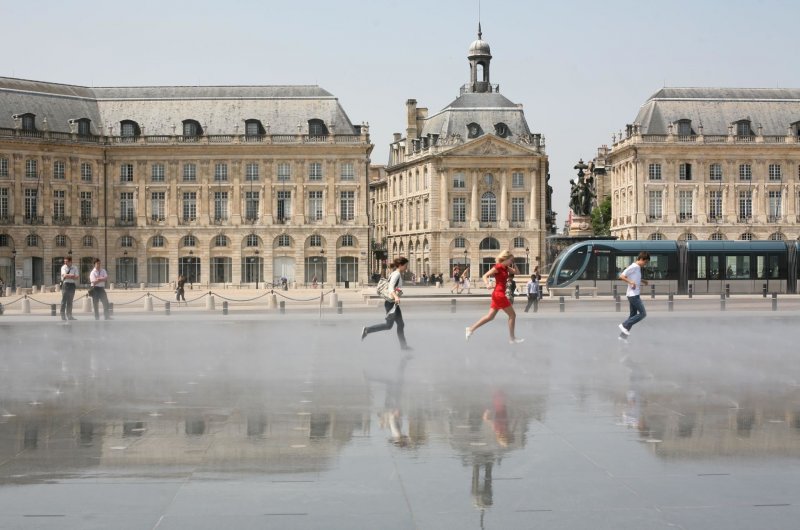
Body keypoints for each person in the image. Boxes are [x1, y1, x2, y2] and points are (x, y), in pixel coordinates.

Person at [466, 250, 524, 344]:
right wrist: (487, 284)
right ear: (506, 258)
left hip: (498, 294)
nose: (511, 262)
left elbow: (517, 273)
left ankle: (470, 329)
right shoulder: (498, 267)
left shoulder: (506, 268)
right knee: (512, 315)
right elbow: (485, 275)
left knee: (490, 316)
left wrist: (514, 263)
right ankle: (512, 338)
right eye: (511, 260)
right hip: (499, 294)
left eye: (512, 260)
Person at [361, 257, 412, 351]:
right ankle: (367, 330)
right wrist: (396, 296)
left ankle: (404, 346)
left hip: (392, 303)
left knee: (400, 324)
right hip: (391, 303)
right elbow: (391, 288)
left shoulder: (395, 273)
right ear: (401, 265)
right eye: (405, 265)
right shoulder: (396, 274)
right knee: (390, 325)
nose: (406, 267)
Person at [618, 251, 650, 339]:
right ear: (641, 259)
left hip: (634, 294)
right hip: (633, 295)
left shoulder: (637, 267)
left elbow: (634, 277)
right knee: (643, 313)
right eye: (645, 262)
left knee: (633, 316)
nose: (645, 264)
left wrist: (643, 280)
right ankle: (624, 325)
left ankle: (622, 337)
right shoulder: (634, 266)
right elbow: (621, 276)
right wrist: (630, 282)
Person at [60, 256, 79, 321]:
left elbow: (77, 277)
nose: (65, 263)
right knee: (64, 301)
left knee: (70, 301)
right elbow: (64, 275)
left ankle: (69, 315)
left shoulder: (75, 267)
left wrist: (69, 276)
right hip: (65, 285)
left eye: (66, 261)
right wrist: (72, 276)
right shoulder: (63, 267)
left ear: (70, 261)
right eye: (64, 261)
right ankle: (63, 315)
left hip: (72, 285)